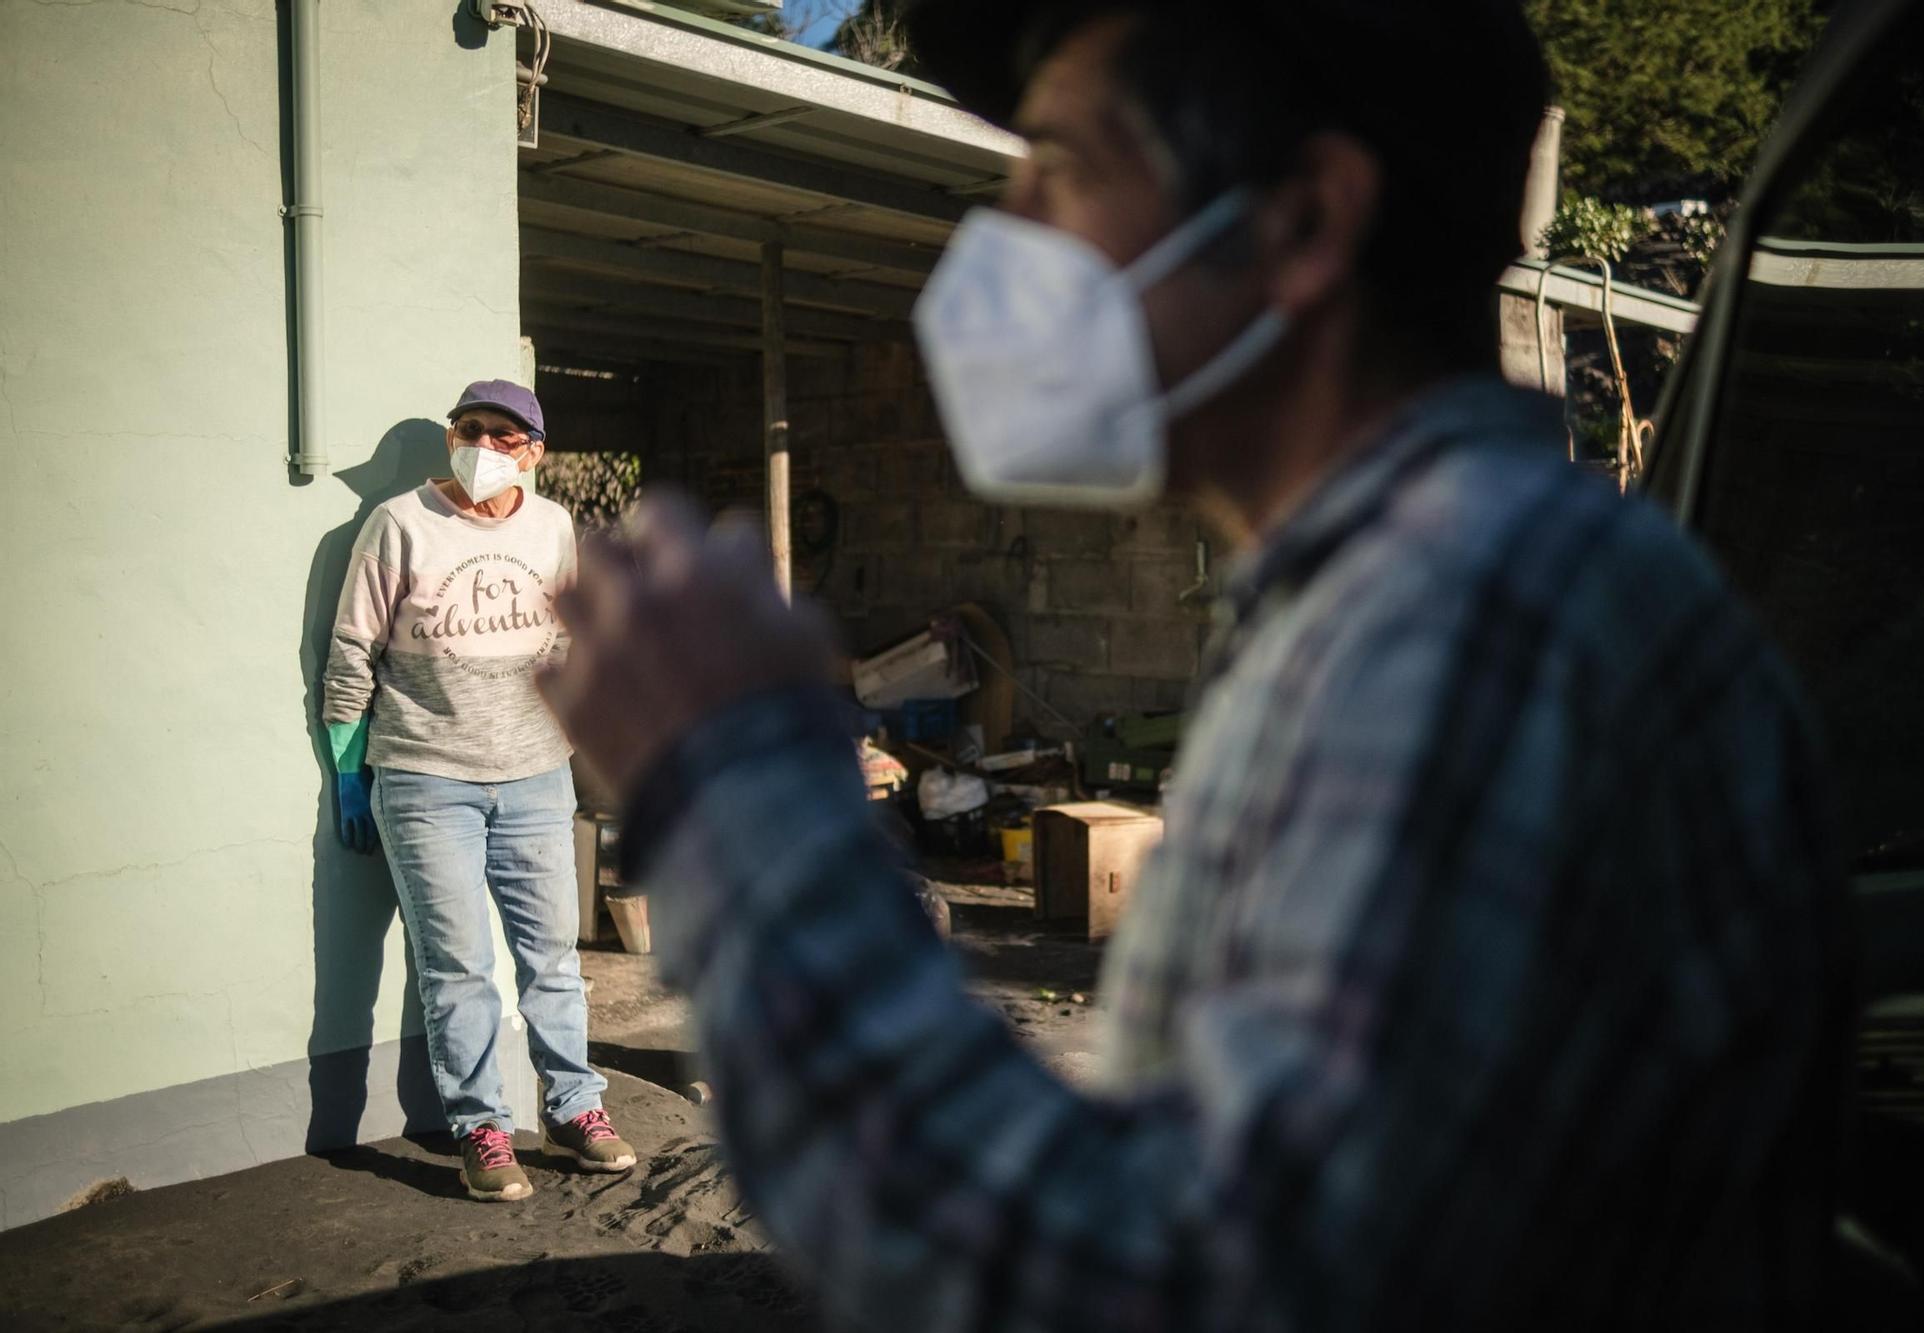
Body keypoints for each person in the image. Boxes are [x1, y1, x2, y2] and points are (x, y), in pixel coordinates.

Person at [537, 2, 1848, 1327]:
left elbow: (1166, 1288)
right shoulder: (1396, 604)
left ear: (1303, 221)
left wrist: (741, 795)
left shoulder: (1477, 623)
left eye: (1061, 163)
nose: (1008, 228)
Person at [323, 379, 635, 1203]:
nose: (485, 447)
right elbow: (351, 651)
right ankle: (482, 1128)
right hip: (427, 779)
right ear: (451, 434)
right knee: (457, 965)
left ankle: (574, 1108)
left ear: (534, 450)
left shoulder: (553, 524)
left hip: (536, 777)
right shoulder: (397, 523)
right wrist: (351, 772)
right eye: (471, 429)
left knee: (554, 960)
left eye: (505, 435)